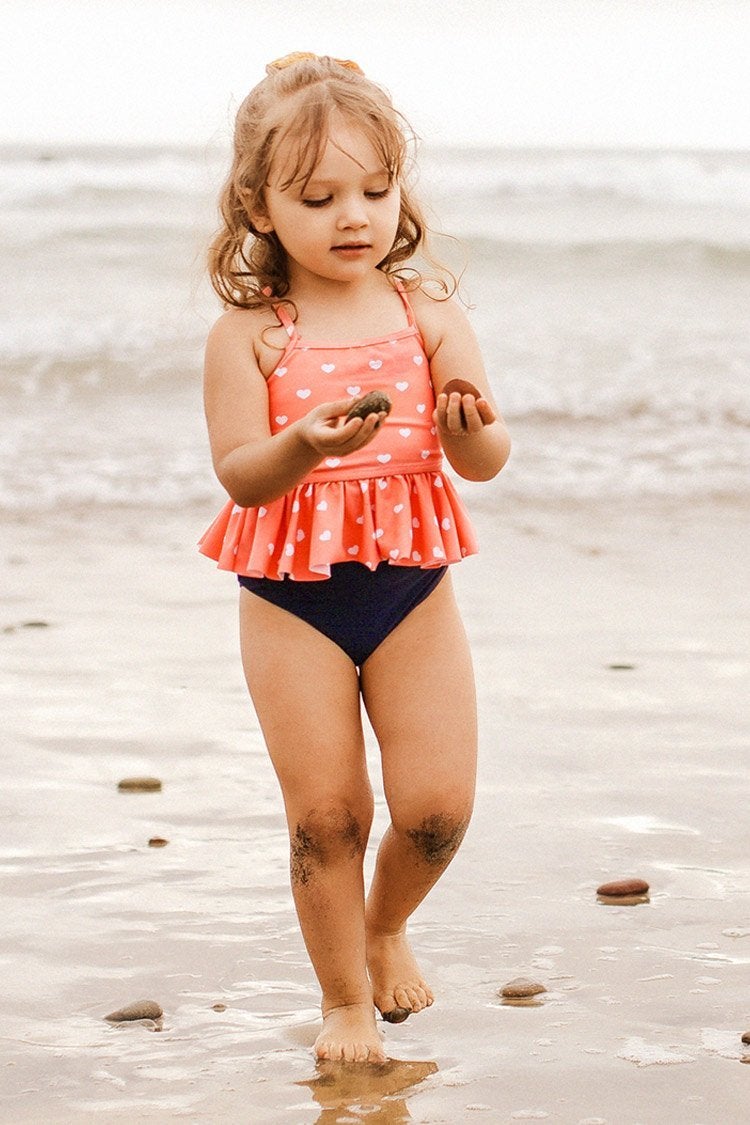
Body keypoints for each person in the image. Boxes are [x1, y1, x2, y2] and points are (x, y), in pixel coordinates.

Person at [199, 52, 511, 1064]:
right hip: (290, 599)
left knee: (435, 811)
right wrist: (304, 444)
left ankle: (386, 925)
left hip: (411, 588)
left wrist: (471, 429)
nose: (354, 217)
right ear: (259, 204)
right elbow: (242, 474)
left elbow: (485, 461)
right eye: (318, 196)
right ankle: (343, 1002)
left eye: (376, 191)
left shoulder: (429, 317)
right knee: (326, 817)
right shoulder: (250, 335)